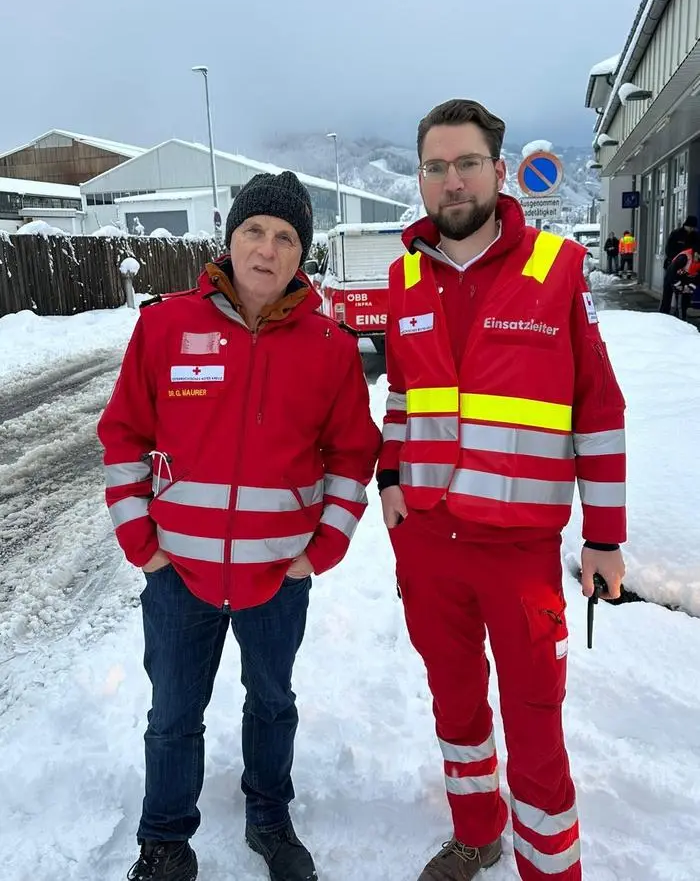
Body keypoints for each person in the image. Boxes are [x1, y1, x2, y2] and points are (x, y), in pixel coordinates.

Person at [98, 171, 382, 881]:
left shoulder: (329, 346)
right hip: (178, 575)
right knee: (172, 714)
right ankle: (164, 838)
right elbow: (123, 437)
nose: (267, 247)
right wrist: (144, 543)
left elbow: (352, 454)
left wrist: (323, 547)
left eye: (286, 237)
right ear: (229, 240)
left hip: (278, 574)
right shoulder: (165, 326)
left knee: (274, 702)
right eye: (254, 230)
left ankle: (268, 816)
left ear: (301, 255)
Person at [378, 99, 627, 881]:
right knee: (455, 708)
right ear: (420, 178)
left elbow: (600, 409)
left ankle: (550, 868)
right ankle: (477, 831)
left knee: (535, 725)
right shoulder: (404, 274)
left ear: (498, 169)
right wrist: (390, 477)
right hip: (428, 547)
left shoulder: (556, 271)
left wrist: (605, 537)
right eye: (435, 167)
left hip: (518, 552)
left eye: (467, 163)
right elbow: (402, 396)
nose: (452, 182)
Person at [659, 231, 700, 319]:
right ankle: (663, 317)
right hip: (673, 276)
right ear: (694, 253)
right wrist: (678, 285)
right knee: (668, 299)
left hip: (686, 278)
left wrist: (690, 287)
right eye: (697, 256)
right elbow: (671, 273)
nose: (697, 259)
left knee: (684, 302)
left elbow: (698, 278)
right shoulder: (684, 258)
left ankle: (682, 320)